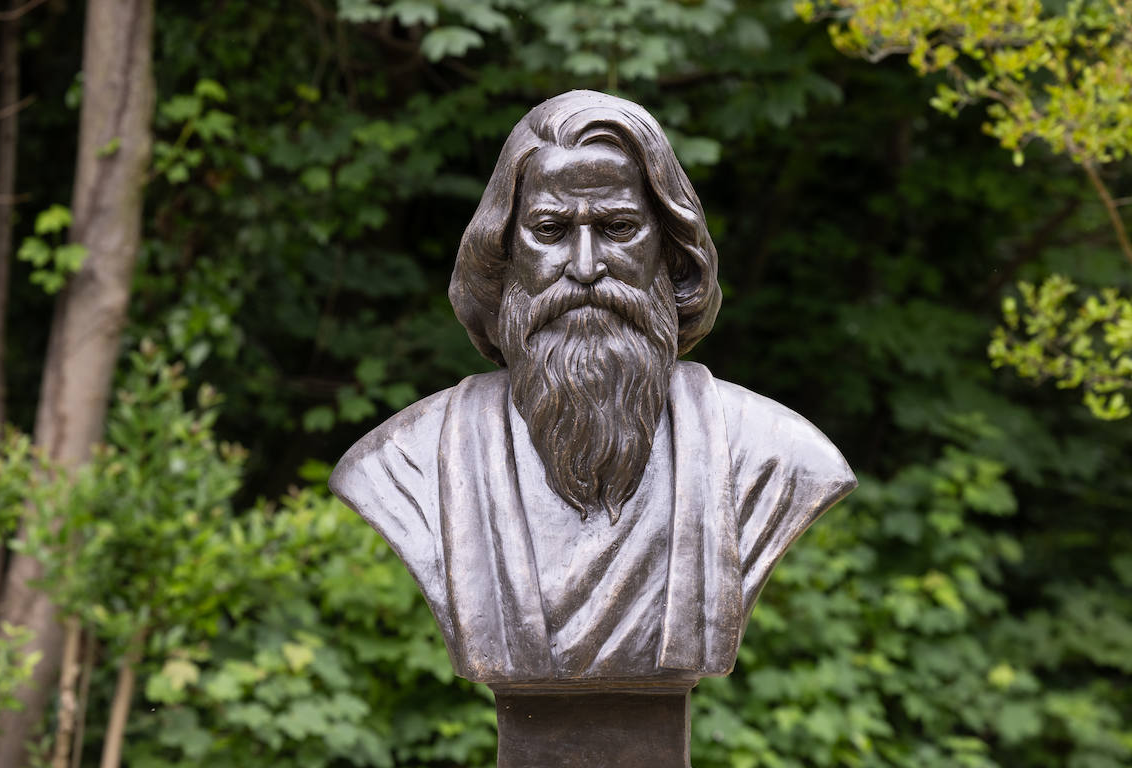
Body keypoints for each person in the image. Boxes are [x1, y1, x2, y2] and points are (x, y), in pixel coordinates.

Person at [331, 90, 854, 685]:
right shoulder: (404, 464)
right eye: (549, 230)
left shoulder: (776, 456)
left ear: (672, 252)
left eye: (619, 228)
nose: (584, 266)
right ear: (502, 253)